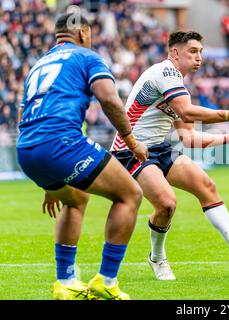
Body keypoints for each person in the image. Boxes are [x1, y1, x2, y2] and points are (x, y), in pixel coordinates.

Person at [110, 31, 229, 280]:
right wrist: (228, 115)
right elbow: (186, 112)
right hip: (130, 150)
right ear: (175, 52)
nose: (199, 58)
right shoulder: (165, 73)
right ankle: (157, 257)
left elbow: (189, 138)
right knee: (167, 204)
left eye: (200, 52)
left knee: (206, 185)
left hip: (157, 148)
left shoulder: (176, 85)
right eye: (193, 52)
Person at [17, 13, 148, 300]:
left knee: (75, 199)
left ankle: (65, 282)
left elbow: (23, 112)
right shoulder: (88, 57)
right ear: (84, 33)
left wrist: (48, 180)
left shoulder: (39, 64)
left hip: (26, 148)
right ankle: (107, 280)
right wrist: (130, 140)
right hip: (61, 142)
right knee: (130, 195)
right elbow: (109, 99)